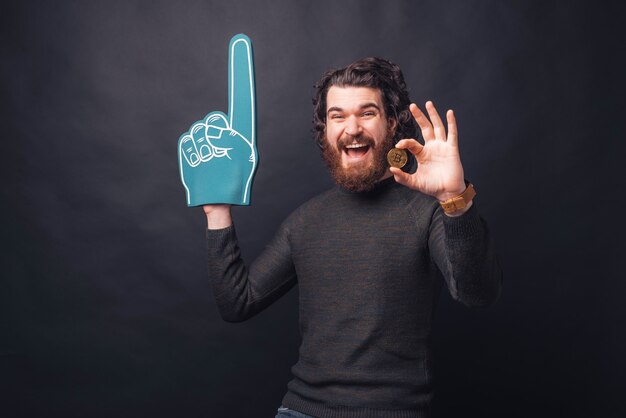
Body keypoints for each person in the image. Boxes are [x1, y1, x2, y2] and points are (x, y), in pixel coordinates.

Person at [204, 57, 502, 418]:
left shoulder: (427, 213)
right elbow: (238, 303)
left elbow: (477, 293)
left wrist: (455, 200)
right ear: (325, 131)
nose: (352, 128)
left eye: (367, 113)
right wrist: (217, 208)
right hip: (301, 411)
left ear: (391, 124)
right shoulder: (305, 220)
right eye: (338, 116)